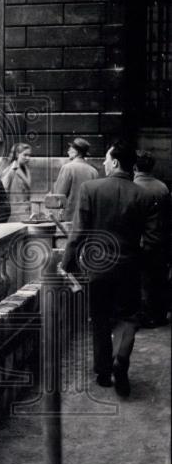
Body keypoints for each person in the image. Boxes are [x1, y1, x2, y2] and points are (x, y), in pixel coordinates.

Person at [63, 141, 159, 397]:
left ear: (115, 162)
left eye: (106, 159)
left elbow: (78, 233)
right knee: (129, 317)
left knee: (100, 319)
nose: (103, 163)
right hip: (129, 267)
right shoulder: (145, 195)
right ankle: (121, 358)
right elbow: (151, 240)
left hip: (97, 268)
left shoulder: (90, 189)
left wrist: (67, 264)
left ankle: (104, 372)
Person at [134, 150, 171, 327]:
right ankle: (159, 314)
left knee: (141, 280)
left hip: (139, 242)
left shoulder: (132, 186)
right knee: (158, 278)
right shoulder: (162, 187)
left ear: (134, 166)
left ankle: (144, 315)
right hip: (160, 241)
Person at [52, 137, 98, 222]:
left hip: (69, 218)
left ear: (76, 152)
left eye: (70, 149)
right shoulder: (93, 171)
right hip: (87, 219)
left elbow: (59, 195)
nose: (68, 151)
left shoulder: (67, 168)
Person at [1, 142, 33, 221]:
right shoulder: (10, 170)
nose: (28, 158)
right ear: (17, 154)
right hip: (14, 213)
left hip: (25, 212)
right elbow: (3, 192)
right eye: (25, 155)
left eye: (29, 155)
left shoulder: (26, 169)